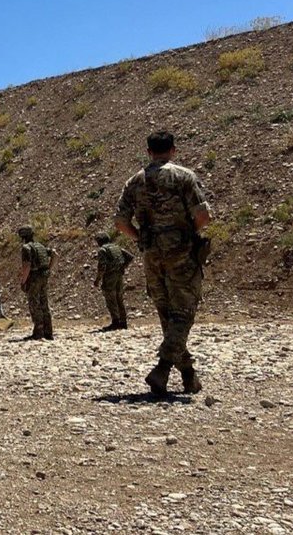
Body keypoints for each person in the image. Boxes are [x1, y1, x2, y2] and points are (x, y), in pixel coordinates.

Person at [114, 130, 212, 395]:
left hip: (152, 254)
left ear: (149, 152)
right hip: (181, 251)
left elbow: (121, 222)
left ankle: (189, 375)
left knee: (167, 315)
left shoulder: (134, 182)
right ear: (173, 150)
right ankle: (163, 367)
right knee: (183, 313)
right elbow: (203, 215)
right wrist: (188, 233)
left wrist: (141, 238)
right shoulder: (184, 176)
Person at [17, 225, 55, 340]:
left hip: (34, 278)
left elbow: (27, 266)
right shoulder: (40, 246)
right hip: (44, 276)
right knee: (44, 303)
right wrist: (49, 268)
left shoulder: (26, 248)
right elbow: (54, 253)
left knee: (34, 304)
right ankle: (48, 332)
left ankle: (38, 332)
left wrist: (23, 281)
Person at [93, 231, 134, 332]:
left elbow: (102, 267)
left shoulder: (102, 250)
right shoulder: (116, 247)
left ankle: (115, 322)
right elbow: (130, 257)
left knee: (111, 299)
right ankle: (123, 322)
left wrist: (97, 279)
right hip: (119, 275)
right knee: (119, 298)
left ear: (99, 241)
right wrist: (122, 267)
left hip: (109, 277)